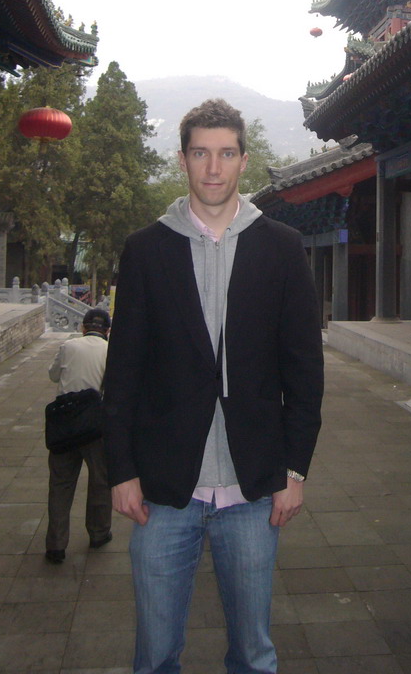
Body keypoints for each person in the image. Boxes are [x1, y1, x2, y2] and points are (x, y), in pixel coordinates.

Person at [104, 98, 324, 674]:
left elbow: (304, 370)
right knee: (154, 654)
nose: (213, 168)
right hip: (163, 487)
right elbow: (123, 370)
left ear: (243, 161)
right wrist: (121, 470)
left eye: (226, 153)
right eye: (201, 153)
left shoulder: (280, 247)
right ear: (183, 159)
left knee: (253, 654)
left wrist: (294, 470)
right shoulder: (147, 249)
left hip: (253, 490)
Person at [45, 307, 113, 564]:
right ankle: (98, 533)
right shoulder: (109, 351)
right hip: (94, 427)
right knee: (100, 482)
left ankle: (56, 545)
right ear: (107, 331)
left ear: (83, 327)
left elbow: (53, 376)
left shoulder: (68, 346)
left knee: (60, 485)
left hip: (64, 425)